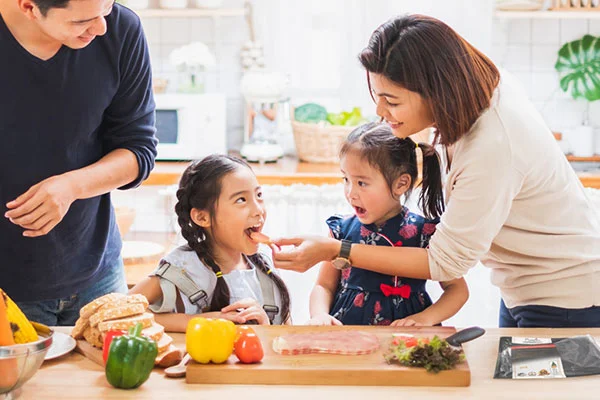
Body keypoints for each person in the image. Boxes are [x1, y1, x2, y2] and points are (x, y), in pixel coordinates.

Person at [272, 14, 600, 328]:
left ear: (437, 92)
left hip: (565, 300)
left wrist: (335, 250)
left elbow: (446, 263)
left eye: (392, 101)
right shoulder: (473, 93)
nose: (380, 111)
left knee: (537, 388)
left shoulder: (493, 144)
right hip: (523, 291)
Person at [0, 0, 157, 326]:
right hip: (7, 293)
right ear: (29, 7)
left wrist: (72, 186)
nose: (101, 27)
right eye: (82, 21)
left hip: (98, 277)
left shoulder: (121, 30)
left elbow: (138, 149)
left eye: (106, 8)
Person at [308, 123, 468, 326]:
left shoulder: (424, 233)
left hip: (406, 340)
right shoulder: (341, 230)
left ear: (401, 183)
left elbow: (458, 289)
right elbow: (324, 286)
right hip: (348, 334)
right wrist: (319, 314)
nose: (350, 192)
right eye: (346, 179)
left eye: (361, 183)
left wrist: (424, 319)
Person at [129, 155, 291, 332]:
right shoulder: (182, 269)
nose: (259, 210)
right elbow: (121, 314)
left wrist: (264, 328)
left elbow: (285, 341)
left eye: (259, 195)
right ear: (202, 217)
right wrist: (197, 321)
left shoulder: (267, 271)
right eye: (241, 200)